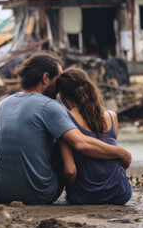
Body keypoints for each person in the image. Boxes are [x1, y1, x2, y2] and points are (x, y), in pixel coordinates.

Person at [0, 51, 131, 205]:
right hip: (42, 193)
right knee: (61, 140)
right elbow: (81, 144)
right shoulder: (50, 106)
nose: (59, 89)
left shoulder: (3, 104)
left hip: (0, 192)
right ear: (46, 78)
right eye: (58, 80)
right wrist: (121, 152)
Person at [56, 67, 132, 205]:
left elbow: (70, 170)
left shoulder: (65, 121)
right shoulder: (111, 116)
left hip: (85, 197)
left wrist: (71, 191)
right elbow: (111, 159)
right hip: (122, 194)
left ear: (61, 94)